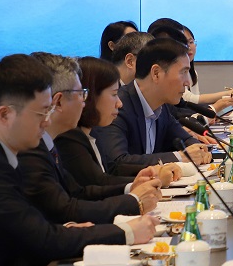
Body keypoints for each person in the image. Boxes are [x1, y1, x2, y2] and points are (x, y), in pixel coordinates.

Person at [0, 54, 157, 266]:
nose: (47, 121)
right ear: (5, 115)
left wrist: (65, 229)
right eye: (41, 113)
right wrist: (126, 232)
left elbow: (36, 225)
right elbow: (42, 240)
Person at [20, 53, 162, 224]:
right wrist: (133, 204)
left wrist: (131, 188)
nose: (84, 102)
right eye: (82, 94)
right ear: (58, 102)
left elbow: (78, 193)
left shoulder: (49, 142)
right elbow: (65, 211)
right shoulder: (32, 150)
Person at [57, 56, 183, 186]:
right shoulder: (70, 139)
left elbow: (111, 170)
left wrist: (153, 171)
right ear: (91, 97)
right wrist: (150, 180)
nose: (119, 103)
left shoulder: (92, 132)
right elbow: (96, 186)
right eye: (114, 94)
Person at [94, 37, 212, 172]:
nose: (187, 82)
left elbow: (186, 140)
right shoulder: (118, 107)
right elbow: (117, 162)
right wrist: (180, 156)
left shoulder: (162, 107)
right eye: (183, 72)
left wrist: (199, 150)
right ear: (156, 73)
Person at [147, 18, 233, 112]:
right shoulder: (152, 98)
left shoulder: (190, 73)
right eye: (182, 43)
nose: (188, 47)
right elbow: (187, 103)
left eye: (190, 42)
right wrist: (214, 108)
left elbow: (184, 108)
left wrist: (212, 111)